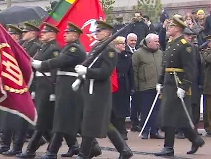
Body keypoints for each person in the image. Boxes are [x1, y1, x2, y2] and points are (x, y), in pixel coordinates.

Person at [74, 21, 133, 159]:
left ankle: (84, 153)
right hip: (90, 88)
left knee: (91, 121)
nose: (96, 33)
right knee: (101, 122)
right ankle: (124, 150)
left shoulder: (110, 50)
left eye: (99, 31)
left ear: (107, 32)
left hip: (99, 91)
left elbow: (105, 73)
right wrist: (81, 77)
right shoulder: (98, 47)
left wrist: (86, 72)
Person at [31, 22, 86, 159]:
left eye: (68, 33)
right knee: (66, 120)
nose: (65, 34)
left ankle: (52, 152)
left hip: (68, 87)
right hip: (63, 86)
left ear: (75, 35)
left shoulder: (75, 49)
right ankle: (78, 147)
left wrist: (42, 64)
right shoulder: (69, 47)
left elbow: (60, 61)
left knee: (63, 120)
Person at [155, 15, 205, 156]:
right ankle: (195, 140)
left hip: (178, 85)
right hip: (169, 84)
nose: (168, 28)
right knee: (174, 117)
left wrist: (184, 87)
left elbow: (191, 70)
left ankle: (168, 147)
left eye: (171, 26)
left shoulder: (185, 46)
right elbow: (165, 65)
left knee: (173, 117)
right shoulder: (171, 44)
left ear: (177, 28)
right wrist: (160, 81)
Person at [16, 23, 61, 159]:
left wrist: (53, 91)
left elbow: (54, 70)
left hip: (48, 86)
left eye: (46, 32)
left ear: (52, 34)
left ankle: (31, 150)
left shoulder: (54, 49)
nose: (42, 34)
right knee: (44, 121)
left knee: (41, 120)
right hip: (41, 86)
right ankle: (70, 145)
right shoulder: (44, 47)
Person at [0, 25, 29, 156]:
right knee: (7, 117)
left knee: (17, 118)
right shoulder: (10, 48)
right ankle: (5, 144)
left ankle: (16, 146)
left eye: (11, 35)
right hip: (9, 86)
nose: (9, 37)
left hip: (19, 86)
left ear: (16, 36)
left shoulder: (21, 48)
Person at [132, 33, 164, 140]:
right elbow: (134, 70)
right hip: (145, 86)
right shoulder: (138, 53)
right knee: (145, 109)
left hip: (158, 86)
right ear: (149, 42)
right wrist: (135, 86)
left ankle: (154, 131)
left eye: (158, 41)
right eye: (155, 41)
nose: (157, 43)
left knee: (156, 110)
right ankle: (145, 130)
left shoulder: (160, 53)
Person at [111, 36, 134, 140]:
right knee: (113, 108)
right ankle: (116, 129)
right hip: (113, 83)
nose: (123, 45)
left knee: (123, 109)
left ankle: (122, 130)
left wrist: (132, 86)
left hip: (124, 84)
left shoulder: (128, 56)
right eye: (121, 44)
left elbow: (131, 73)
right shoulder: (112, 56)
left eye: (124, 43)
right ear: (116, 45)